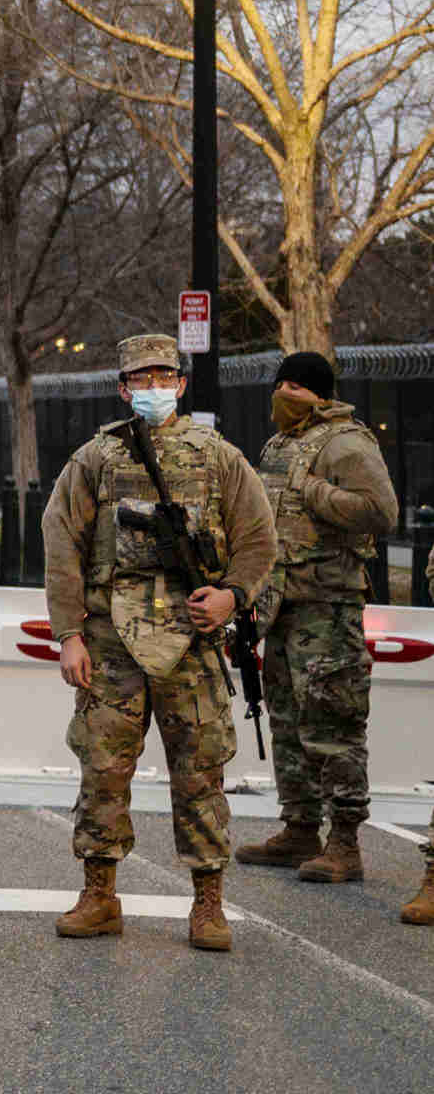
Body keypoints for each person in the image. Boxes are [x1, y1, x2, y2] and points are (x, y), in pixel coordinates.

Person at [41, 334, 275, 952]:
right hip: (111, 641)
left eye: (162, 376)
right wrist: (69, 634)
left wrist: (232, 595)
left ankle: (208, 903)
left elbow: (258, 539)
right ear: (122, 389)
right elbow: (61, 546)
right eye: (140, 379)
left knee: (200, 773)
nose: (152, 387)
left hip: (191, 643)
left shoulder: (220, 459)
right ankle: (99, 895)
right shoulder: (94, 460)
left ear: (180, 382)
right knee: (102, 771)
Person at [231, 349, 399, 885]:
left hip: (328, 608)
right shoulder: (279, 445)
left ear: (320, 394)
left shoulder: (348, 443)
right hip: (280, 606)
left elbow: (382, 511)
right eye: (279, 384)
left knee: (333, 726)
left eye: (296, 387)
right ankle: (299, 827)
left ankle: (344, 843)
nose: (284, 394)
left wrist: (316, 491)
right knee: (286, 724)